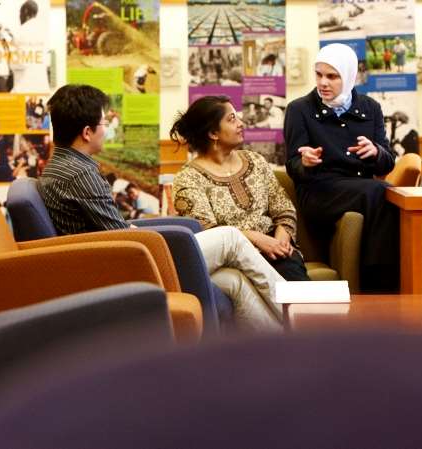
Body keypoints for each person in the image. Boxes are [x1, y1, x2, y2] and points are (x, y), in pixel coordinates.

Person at [38, 84, 286, 331]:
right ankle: (296, 314)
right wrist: (156, 238)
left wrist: (140, 231)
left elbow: (114, 229)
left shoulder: (61, 165)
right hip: (124, 266)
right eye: (104, 123)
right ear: (87, 132)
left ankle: (281, 341)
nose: (108, 129)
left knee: (233, 280)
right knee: (230, 238)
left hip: (113, 257)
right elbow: (121, 236)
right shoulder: (80, 174)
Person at [283, 43, 399, 292]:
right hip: (319, 192)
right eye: (318, 74)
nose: (323, 83)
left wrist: (376, 152)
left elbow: (388, 162)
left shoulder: (371, 108)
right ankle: (379, 283)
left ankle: (379, 281)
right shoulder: (298, 109)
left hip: (361, 190)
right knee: (380, 192)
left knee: (388, 194)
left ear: (349, 76)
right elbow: (292, 166)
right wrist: (305, 162)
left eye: (332, 76)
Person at [170, 95, 310, 283]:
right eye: (232, 119)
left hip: (276, 250)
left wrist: (281, 241)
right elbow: (209, 232)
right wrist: (258, 240)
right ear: (213, 133)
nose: (241, 123)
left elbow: (283, 207)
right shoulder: (188, 178)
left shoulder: (255, 160)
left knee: (293, 276)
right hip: (233, 259)